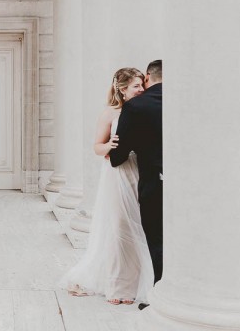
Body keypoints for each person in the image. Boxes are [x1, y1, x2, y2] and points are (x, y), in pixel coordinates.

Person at [59, 67, 154, 305]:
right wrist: (110, 145)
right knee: (120, 227)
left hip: (141, 171)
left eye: (142, 85)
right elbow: (97, 148)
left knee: (140, 225)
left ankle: (140, 282)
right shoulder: (110, 114)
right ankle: (118, 286)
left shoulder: (144, 110)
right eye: (136, 86)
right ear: (122, 90)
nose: (142, 89)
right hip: (119, 173)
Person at [109, 60, 163, 310]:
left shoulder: (136, 107)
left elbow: (119, 155)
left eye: (142, 83)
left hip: (151, 178)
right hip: (185, 184)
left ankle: (160, 292)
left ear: (150, 78)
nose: (141, 88)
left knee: (155, 236)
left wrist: (121, 150)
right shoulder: (188, 99)